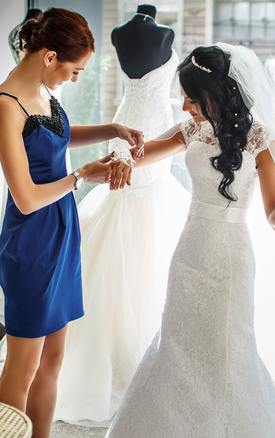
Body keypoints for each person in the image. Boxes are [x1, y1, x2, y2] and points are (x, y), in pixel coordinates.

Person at [105, 43, 275, 437]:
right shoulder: (192, 130)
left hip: (231, 259)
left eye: (191, 98)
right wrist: (124, 157)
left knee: (229, 348)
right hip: (190, 250)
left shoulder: (260, 139)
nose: (185, 106)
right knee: (176, 344)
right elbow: (141, 154)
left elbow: (274, 217)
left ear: (214, 93)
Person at [0, 8, 142, 438]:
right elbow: (26, 198)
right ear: (50, 56)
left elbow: (57, 135)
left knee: (53, 361)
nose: (74, 80)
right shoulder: (4, 106)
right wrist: (80, 177)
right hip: (30, 243)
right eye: (74, 71)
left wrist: (113, 129)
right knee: (23, 366)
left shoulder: (43, 91)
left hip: (61, 235)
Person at [53, 4, 190, 426]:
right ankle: (116, 359)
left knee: (138, 198)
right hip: (141, 120)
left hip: (134, 116)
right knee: (131, 198)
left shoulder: (125, 34)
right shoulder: (159, 35)